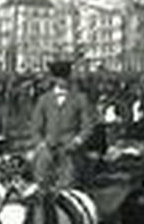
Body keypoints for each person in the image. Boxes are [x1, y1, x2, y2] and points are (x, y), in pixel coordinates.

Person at [25, 60, 97, 188]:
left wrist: (77, 141)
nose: (62, 81)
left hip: (71, 147)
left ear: (69, 78)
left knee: (69, 178)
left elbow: (88, 126)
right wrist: (40, 143)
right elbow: (35, 127)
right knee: (40, 175)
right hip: (48, 146)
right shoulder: (44, 100)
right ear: (53, 79)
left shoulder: (80, 99)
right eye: (59, 78)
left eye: (65, 78)